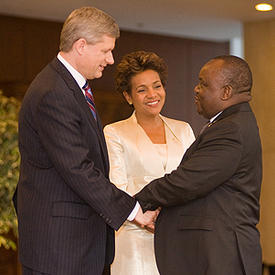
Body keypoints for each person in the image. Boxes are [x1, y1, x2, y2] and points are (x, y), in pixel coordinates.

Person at [13, 7, 157, 275]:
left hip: (72, 245)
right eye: (105, 51)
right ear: (81, 46)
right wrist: (134, 210)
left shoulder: (69, 88)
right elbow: (78, 169)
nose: (111, 59)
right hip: (59, 248)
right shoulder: (53, 93)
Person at [135, 55, 263, 275]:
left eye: (203, 84)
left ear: (226, 92)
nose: (196, 89)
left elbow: (187, 182)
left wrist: (137, 202)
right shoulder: (229, 123)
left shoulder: (231, 129)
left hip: (222, 257)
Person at [103, 50, 195, 275]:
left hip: (179, 236)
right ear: (128, 96)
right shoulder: (114, 133)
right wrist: (146, 216)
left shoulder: (183, 130)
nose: (152, 94)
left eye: (157, 86)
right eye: (141, 90)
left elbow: (195, 180)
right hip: (134, 238)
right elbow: (117, 188)